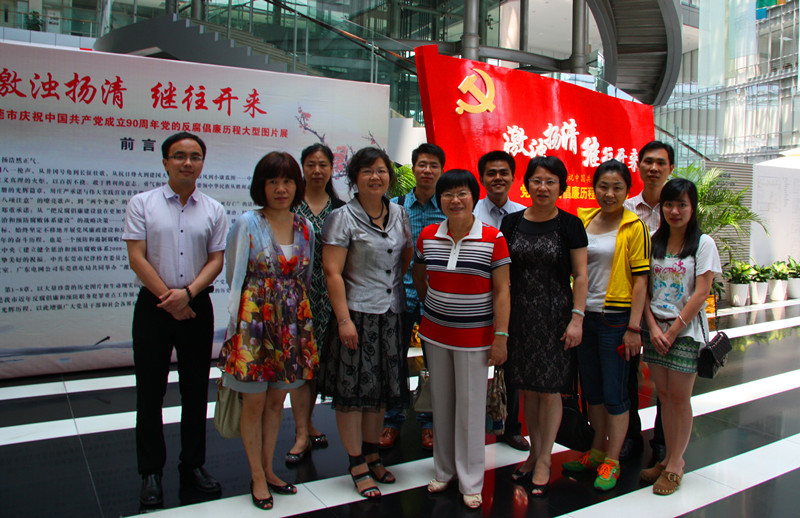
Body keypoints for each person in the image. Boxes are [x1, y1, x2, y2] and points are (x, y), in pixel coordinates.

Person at [122, 132, 227, 506]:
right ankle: (150, 471)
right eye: (179, 156)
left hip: (196, 306)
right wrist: (169, 299)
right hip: (153, 308)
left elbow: (216, 260)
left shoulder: (213, 209)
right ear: (165, 161)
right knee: (150, 391)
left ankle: (193, 464)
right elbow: (137, 257)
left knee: (196, 390)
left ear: (202, 163)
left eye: (195, 156)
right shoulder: (142, 203)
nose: (187, 162)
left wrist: (188, 294)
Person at [220, 151, 318, 510]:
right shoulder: (247, 223)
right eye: (273, 181)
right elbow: (233, 275)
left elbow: (306, 275)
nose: (281, 189)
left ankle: (269, 469)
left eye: (288, 181)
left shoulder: (305, 227)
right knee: (255, 401)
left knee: (277, 401)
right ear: (261, 186)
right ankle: (257, 476)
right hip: (255, 323)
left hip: (291, 321)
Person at [413, 169, 511, 509]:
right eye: (448, 194)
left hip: (475, 337)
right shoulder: (428, 235)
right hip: (435, 334)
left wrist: (501, 336)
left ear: (473, 197)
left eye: (462, 193)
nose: (455, 200)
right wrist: (433, 307)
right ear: (440, 199)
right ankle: (443, 471)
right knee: (441, 405)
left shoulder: (493, 238)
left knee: (470, 409)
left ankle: (471, 481)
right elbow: (420, 276)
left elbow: (502, 291)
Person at [321, 147, 413, 499]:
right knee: (353, 392)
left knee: (380, 391)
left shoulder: (400, 213)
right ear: (354, 178)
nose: (376, 177)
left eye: (381, 170)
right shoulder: (342, 217)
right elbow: (332, 272)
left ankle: (373, 454)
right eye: (367, 171)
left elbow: (405, 256)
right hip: (356, 315)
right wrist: (344, 320)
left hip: (391, 313)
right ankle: (356, 461)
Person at [501, 156, 588, 497]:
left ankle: (545, 459)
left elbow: (581, 275)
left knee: (550, 390)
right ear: (527, 184)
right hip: (520, 317)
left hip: (556, 317)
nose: (543, 187)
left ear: (561, 187)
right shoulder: (511, 222)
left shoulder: (570, 225)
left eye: (551, 181)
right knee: (529, 389)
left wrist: (577, 318)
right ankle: (534, 453)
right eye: (537, 180)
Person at [564, 159, 650, 492]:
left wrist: (634, 328)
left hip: (616, 319)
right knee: (594, 392)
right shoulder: (585, 220)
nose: (609, 194)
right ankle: (597, 451)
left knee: (615, 393)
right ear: (594, 187)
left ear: (627, 190)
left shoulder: (634, 226)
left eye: (617, 188)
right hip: (585, 316)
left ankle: (613, 460)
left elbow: (641, 281)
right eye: (603, 186)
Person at [640, 178, 721, 495]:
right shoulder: (654, 241)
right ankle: (667, 460)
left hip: (685, 332)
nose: (675, 211)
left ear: (692, 208)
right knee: (664, 396)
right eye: (669, 205)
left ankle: (676, 464)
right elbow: (644, 288)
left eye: (682, 205)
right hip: (655, 330)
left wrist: (673, 331)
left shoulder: (703, 244)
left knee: (679, 398)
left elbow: (702, 292)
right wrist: (652, 327)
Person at [381, 143, 446, 451]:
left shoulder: (447, 208)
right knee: (394, 361)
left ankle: (429, 423)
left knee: (434, 364)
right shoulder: (395, 206)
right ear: (413, 167)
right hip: (401, 296)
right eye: (422, 164)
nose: (427, 171)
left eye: (433, 165)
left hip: (436, 299)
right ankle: (392, 420)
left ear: (441, 171)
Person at [285, 144, 345, 464]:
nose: (317, 170)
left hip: (331, 298)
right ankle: (300, 432)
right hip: (297, 298)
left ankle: (308, 424)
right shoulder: (289, 207)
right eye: (311, 164)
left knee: (320, 365)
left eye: (323, 164)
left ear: (332, 169)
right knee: (301, 365)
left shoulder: (342, 210)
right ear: (302, 168)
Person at [472, 150, 530, 452]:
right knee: (472, 365)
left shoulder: (523, 214)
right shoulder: (470, 213)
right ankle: (470, 426)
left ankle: (510, 427)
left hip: (511, 300)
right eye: (491, 173)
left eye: (503, 172)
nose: (498, 178)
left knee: (510, 365)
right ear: (482, 178)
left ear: (512, 177)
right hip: (476, 299)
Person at [621, 141, 675, 461]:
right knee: (627, 373)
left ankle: (663, 439)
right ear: (638, 165)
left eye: (661, 163)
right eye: (648, 162)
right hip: (631, 303)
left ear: (670, 169)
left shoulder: (677, 209)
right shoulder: (626, 209)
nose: (654, 168)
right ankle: (630, 435)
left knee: (666, 376)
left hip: (668, 306)